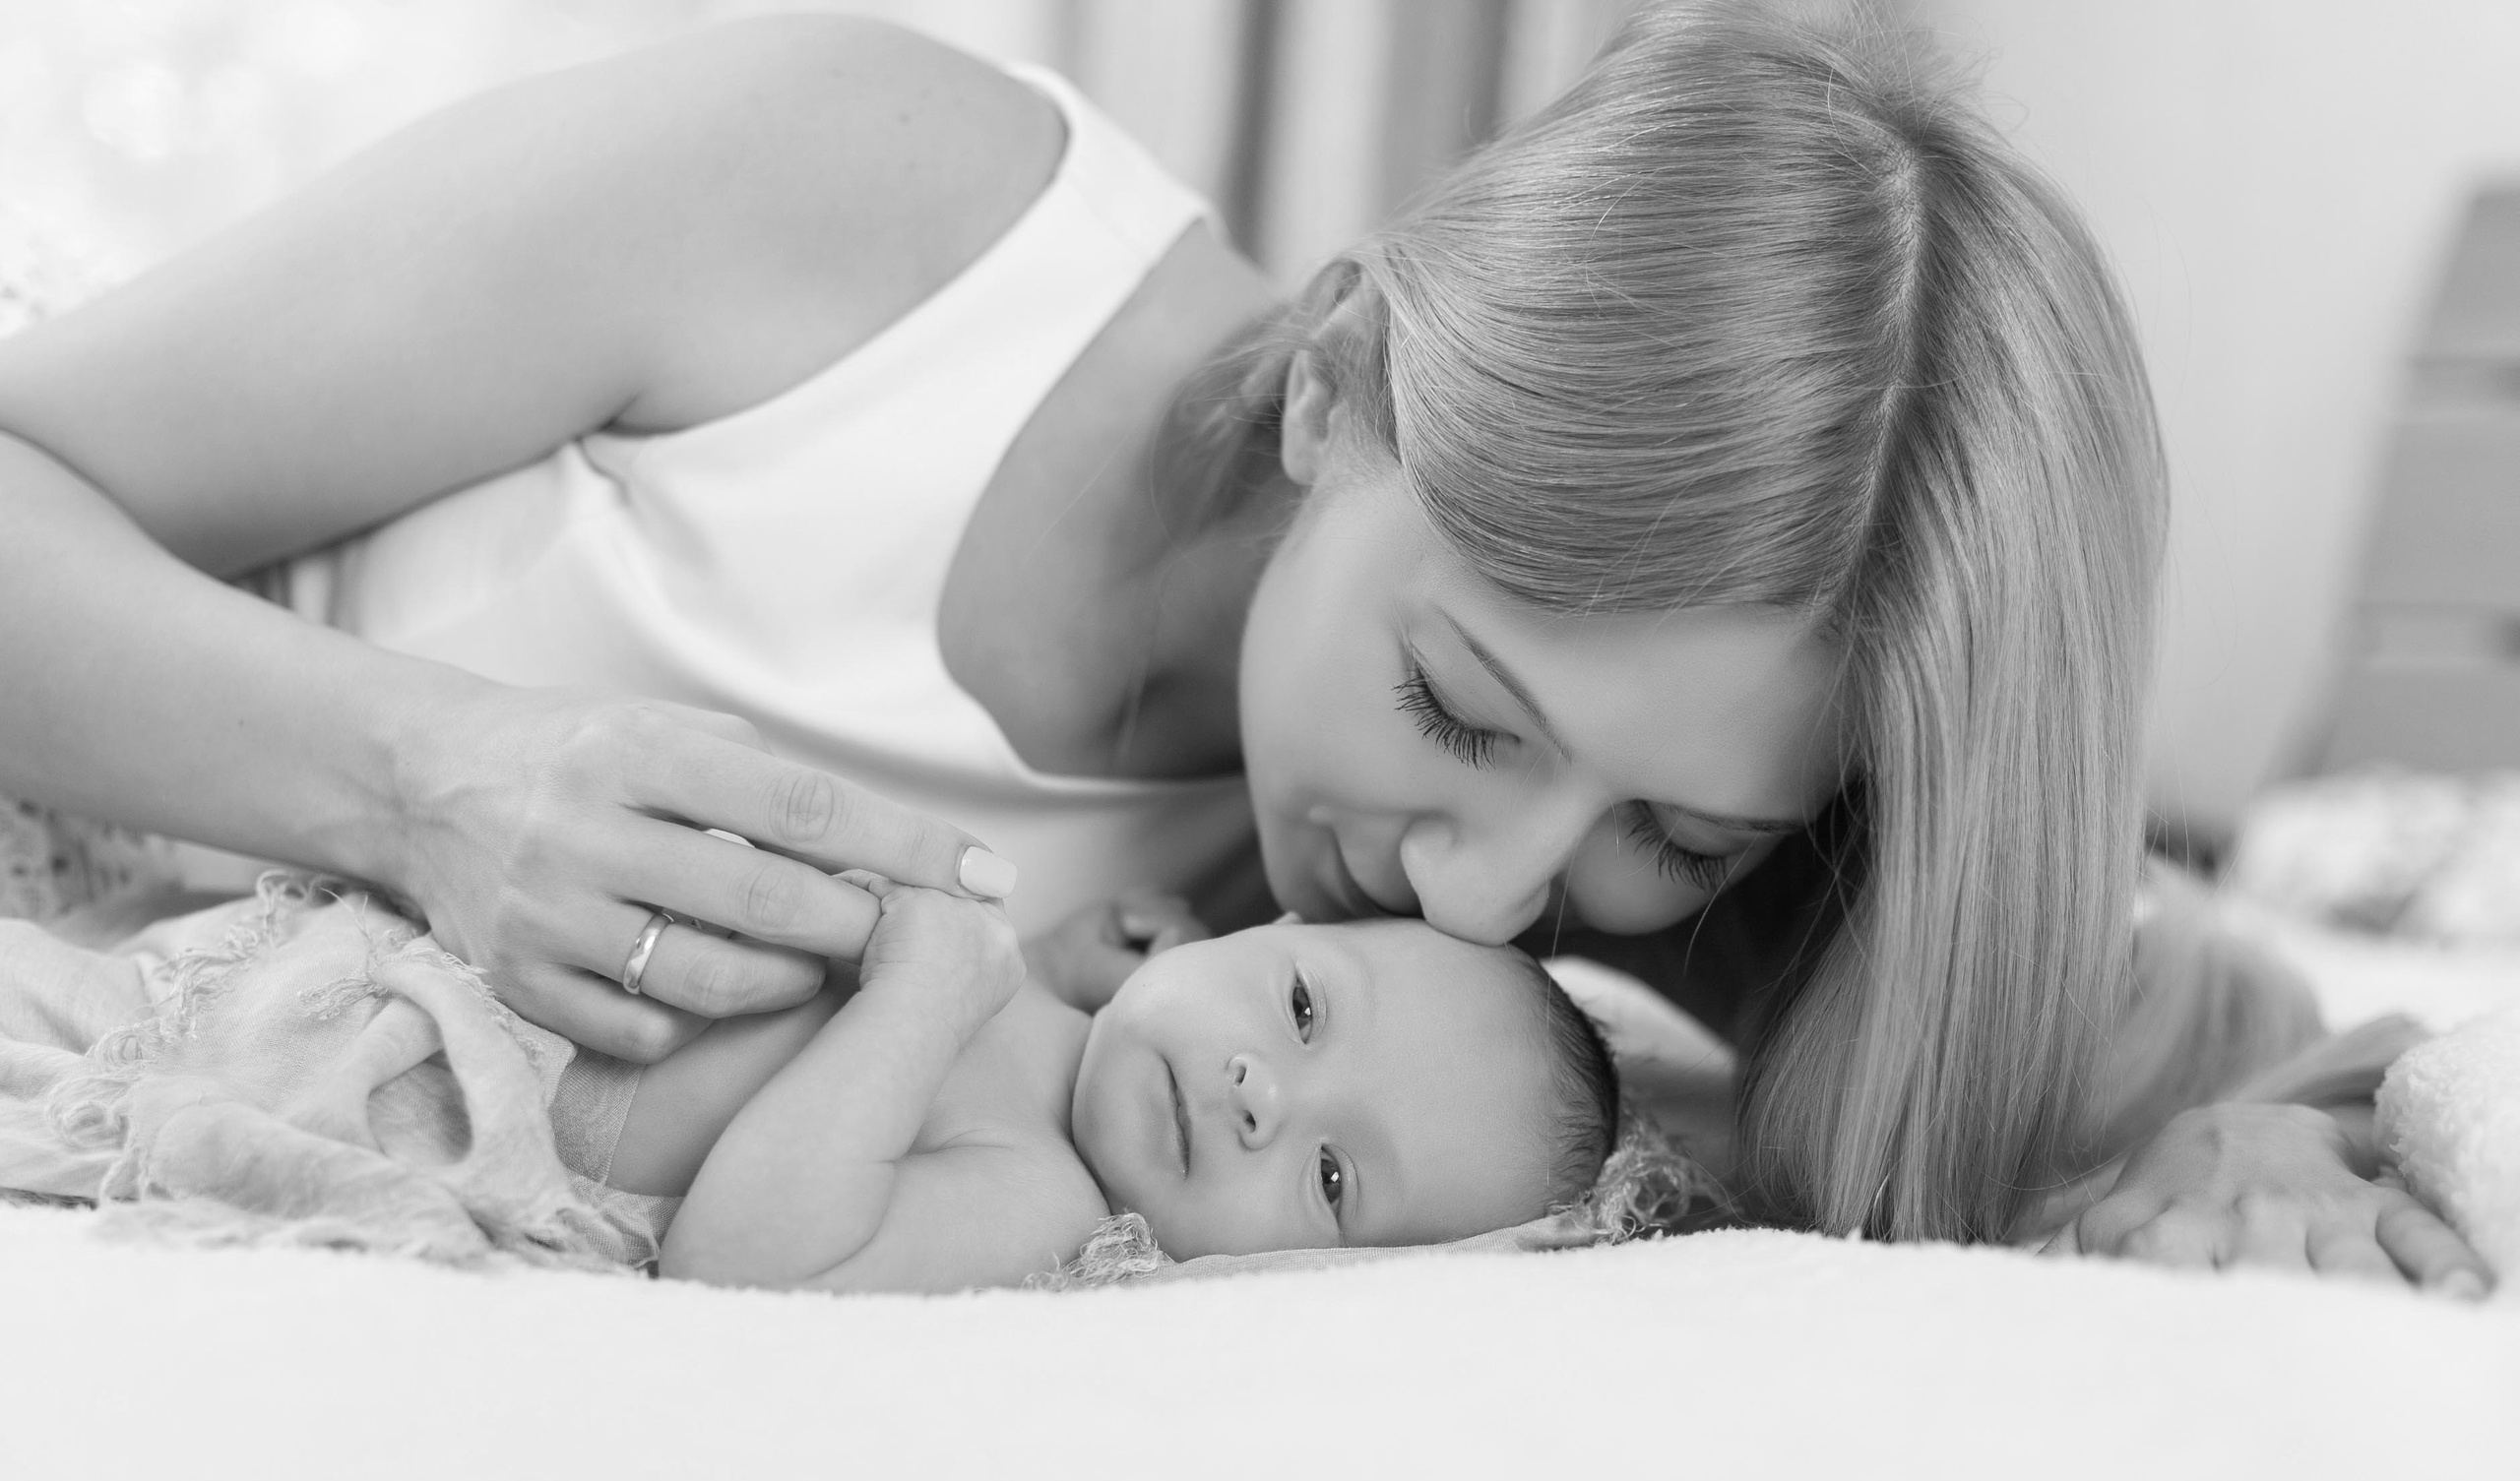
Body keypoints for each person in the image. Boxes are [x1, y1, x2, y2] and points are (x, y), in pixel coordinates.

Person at [0, 5, 2485, 1289]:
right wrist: (423, 772)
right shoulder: (863, 206)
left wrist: (2233, 1154)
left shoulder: (1530, 964)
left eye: (1674, 834)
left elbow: (2184, 1033)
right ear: (1331, 384)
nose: (1489, 893)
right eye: (1455, 704)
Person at [0, 873, 1618, 1287]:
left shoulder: (1041, 1197)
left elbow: (756, 1257)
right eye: (1303, 1008)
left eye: (1331, 1177)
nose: (1268, 1094)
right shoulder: (1047, 979)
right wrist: (1042, 952)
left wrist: (926, 991)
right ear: (1250, 926)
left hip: (393, 1091)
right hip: (323, 967)